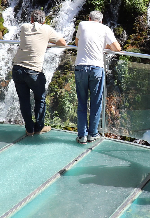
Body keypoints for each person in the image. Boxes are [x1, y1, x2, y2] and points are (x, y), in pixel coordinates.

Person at [12, 9, 67, 136]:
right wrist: (47, 41)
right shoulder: (47, 29)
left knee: (24, 100)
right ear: (44, 20)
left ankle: (29, 129)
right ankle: (39, 127)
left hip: (18, 69)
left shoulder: (24, 27)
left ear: (31, 20)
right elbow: (62, 43)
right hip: (34, 71)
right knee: (40, 98)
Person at [73, 10, 121, 143]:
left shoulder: (82, 25)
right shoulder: (105, 28)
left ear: (89, 18)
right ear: (101, 21)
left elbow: (77, 43)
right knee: (96, 102)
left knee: (82, 102)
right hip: (96, 68)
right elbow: (117, 48)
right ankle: (92, 134)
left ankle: (81, 135)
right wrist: (103, 45)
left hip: (81, 67)